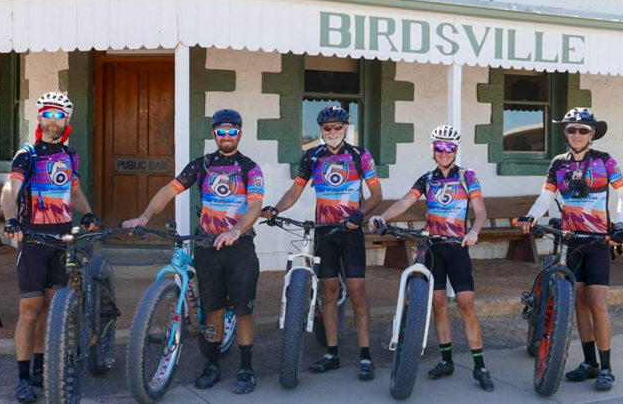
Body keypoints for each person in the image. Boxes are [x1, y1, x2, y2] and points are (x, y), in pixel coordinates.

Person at [123, 109, 263, 394]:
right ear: (214, 134)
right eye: (221, 131)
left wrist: (236, 230)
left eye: (231, 131)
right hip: (207, 246)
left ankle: (246, 368)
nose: (226, 136)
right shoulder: (202, 165)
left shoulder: (250, 167)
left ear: (240, 133)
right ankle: (212, 365)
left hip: (240, 248)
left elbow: (255, 206)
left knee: (243, 310)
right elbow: (169, 190)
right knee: (212, 309)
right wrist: (145, 217)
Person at [369, 125, 494, 391]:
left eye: (450, 148)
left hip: (457, 247)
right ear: (433, 150)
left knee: (466, 305)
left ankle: (480, 366)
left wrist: (473, 231)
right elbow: (404, 202)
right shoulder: (427, 179)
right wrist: (382, 216)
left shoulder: (466, 176)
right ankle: (447, 361)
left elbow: (480, 211)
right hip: (432, 248)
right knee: (438, 304)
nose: (445, 153)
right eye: (440, 148)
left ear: (456, 150)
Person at [262, 106, 382, 381]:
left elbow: (377, 194)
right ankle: (332, 353)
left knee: (358, 293)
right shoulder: (312, 156)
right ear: (321, 131)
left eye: (337, 127)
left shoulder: (360, 156)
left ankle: (366, 355)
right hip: (325, 232)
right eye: (326, 127)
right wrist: (276, 209)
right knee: (328, 292)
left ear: (346, 129)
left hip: (350, 231)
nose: (332, 132)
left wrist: (360, 214)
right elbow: (295, 191)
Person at [518, 108, 623, 392]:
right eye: (571, 129)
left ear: (592, 133)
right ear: (565, 133)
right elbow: (546, 197)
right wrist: (531, 216)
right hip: (572, 241)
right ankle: (589, 363)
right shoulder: (558, 164)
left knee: (598, 302)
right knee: (579, 300)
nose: (577, 134)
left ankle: (606, 369)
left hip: (597, 242)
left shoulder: (605, 161)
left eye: (583, 130)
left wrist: (619, 225)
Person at [0, 92, 102, 403]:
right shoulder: (27, 154)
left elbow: (74, 190)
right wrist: (11, 219)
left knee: (50, 308)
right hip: (33, 240)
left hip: (62, 239)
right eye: (48, 114)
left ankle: (41, 367)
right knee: (29, 311)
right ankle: (22, 377)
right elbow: (9, 189)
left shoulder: (71, 155)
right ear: (40, 118)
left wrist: (88, 213)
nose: (54, 120)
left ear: (67, 121)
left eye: (60, 115)